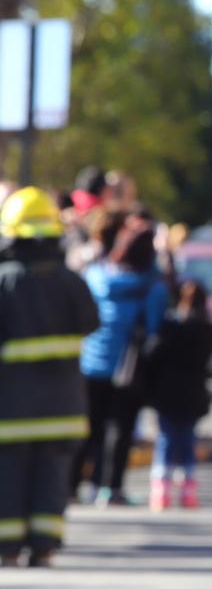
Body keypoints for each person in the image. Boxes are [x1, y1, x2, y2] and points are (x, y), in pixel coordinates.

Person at [0, 188, 99, 566]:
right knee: (51, 481)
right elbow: (92, 321)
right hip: (62, 406)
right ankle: (44, 548)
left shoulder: (4, 281)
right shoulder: (70, 281)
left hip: (10, 411)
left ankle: (7, 550)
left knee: (8, 480)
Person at [74, 215, 169, 506]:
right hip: (126, 367)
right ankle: (109, 487)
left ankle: (72, 484)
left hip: (90, 360)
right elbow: (154, 330)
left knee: (88, 427)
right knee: (121, 428)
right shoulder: (152, 286)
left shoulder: (97, 275)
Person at [144, 280, 212, 511]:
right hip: (192, 393)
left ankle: (161, 491)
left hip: (168, 392)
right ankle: (188, 491)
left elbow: (153, 355)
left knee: (166, 439)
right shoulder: (207, 331)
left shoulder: (169, 328)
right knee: (187, 440)